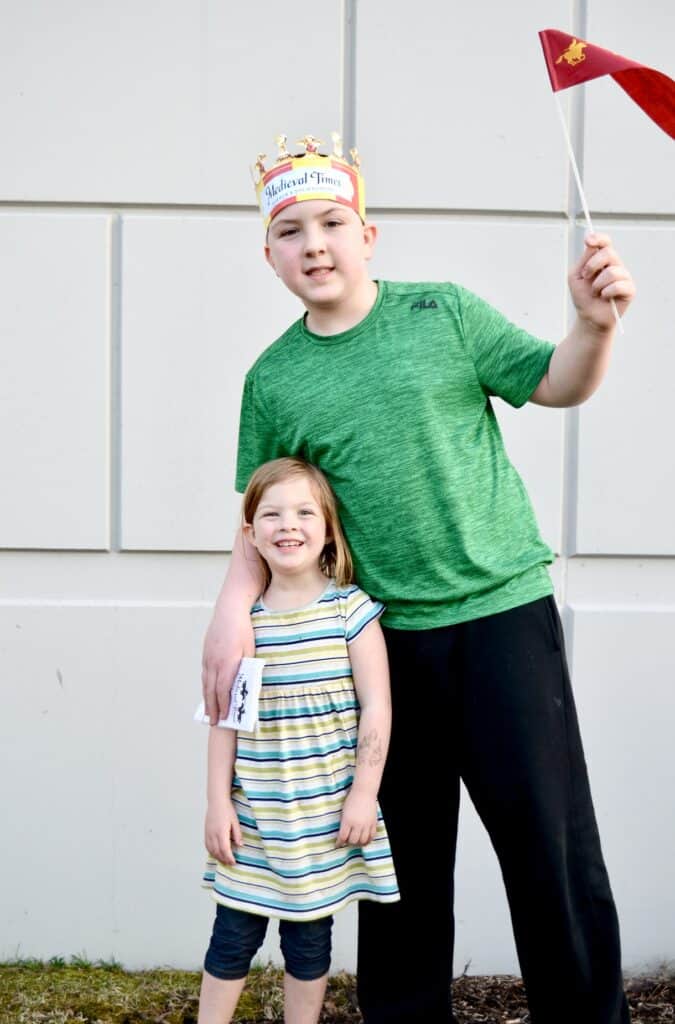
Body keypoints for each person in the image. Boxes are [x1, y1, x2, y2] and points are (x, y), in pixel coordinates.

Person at [202, 134, 636, 1024]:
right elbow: (260, 516)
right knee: (397, 856)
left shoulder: (442, 313)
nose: (313, 243)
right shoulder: (274, 379)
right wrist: (229, 615)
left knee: (547, 845)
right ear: (269, 255)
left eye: (331, 222)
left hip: (502, 614)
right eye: (291, 231)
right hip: (378, 640)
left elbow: (556, 383)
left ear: (368, 235)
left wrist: (592, 326)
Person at [198, 457, 399, 1024]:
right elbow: (224, 720)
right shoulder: (244, 624)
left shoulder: (350, 611)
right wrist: (217, 804)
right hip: (255, 815)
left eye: (305, 512)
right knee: (232, 937)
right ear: (251, 534)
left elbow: (377, 709)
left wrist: (365, 793)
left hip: (323, 815)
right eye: (272, 514)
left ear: (329, 528)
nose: (289, 525)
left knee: (309, 943)